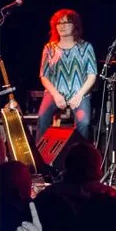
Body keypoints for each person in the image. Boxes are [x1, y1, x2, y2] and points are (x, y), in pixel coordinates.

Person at [36, 9, 97, 142]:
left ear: (75, 25)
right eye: (59, 23)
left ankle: (81, 156)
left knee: (84, 123)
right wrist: (56, 95)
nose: (62, 26)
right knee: (42, 118)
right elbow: (44, 76)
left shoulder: (86, 47)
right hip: (54, 93)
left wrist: (79, 95)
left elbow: (92, 75)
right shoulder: (49, 48)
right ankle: (40, 158)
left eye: (66, 22)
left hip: (80, 93)